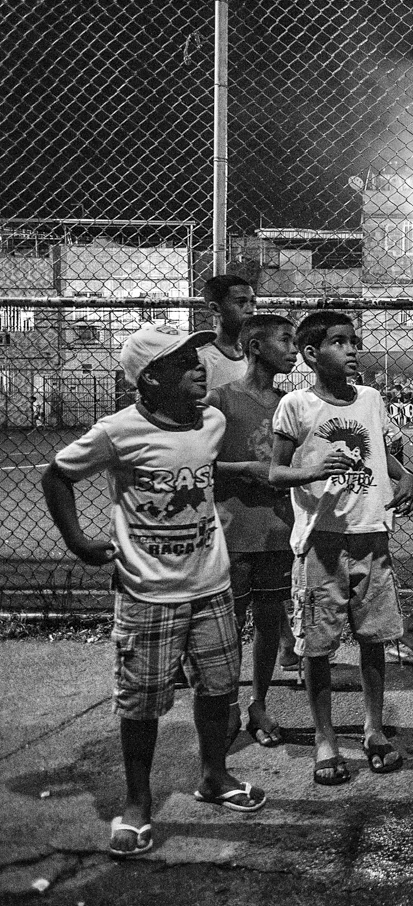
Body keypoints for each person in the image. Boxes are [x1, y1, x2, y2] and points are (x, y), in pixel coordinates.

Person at [40, 323, 268, 859]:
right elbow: (57, 476)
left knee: (218, 690)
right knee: (141, 704)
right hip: (148, 593)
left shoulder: (210, 420)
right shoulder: (117, 431)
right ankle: (138, 802)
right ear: (149, 378)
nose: (198, 364)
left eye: (197, 353)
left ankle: (214, 775)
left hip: (211, 586)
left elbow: (206, 471)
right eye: (182, 359)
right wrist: (78, 543)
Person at [271, 311, 413, 785]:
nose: (352, 349)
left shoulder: (371, 400)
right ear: (312, 354)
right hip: (322, 545)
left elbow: (383, 455)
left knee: (374, 640)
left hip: (371, 539)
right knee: (318, 646)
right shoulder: (296, 405)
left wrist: (407, 478)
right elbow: (276, 472)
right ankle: (326, 739)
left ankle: (373, 729)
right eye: (340, 342)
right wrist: (312, 472)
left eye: (354, 341)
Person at [204, 313, 302, 747]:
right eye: (286, 340)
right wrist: (245, 469)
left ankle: (258, 703)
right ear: (257, 347)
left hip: (277, 530)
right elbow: (196, 463)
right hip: (231, 532)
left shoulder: (290, 403)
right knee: (229, 625)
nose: (294, 350)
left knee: (268, 620)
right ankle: (225, 703)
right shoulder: (220, 400)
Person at [200, 275, 256, 391]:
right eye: (241, 302)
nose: (250, 309)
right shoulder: (202, 358)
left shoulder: (252, 353)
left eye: (252, 302)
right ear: (216, 309)